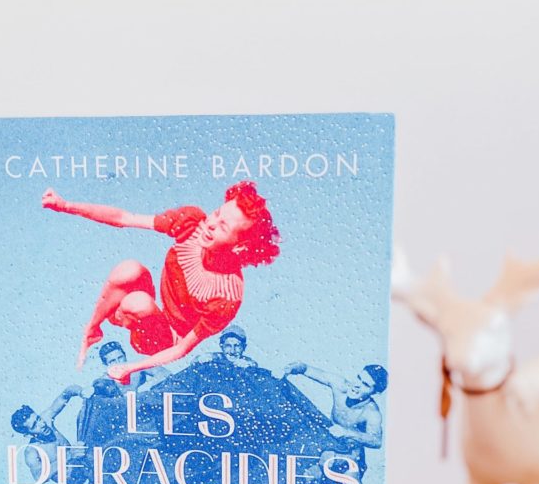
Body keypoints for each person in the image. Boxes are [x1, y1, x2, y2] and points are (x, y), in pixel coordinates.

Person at [41, 182, 280, 383]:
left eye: (223, 227)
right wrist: (66, 206)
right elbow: (124, 217)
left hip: (164, 340)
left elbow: (182, 349)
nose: (210, 224)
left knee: (138, 302)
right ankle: (92, 330)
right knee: (129, 269)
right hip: (157, 309)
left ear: (239, 246)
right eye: (217, 214)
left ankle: (124, 315)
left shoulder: (226, 296)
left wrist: (131, 367)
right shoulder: (192, 223)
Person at [283, 361, 387, 453]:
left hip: (350, 451)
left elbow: (376, 441)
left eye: (365, 385)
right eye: (358, 378)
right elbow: (306, 369)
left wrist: (346, 433)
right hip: (329, 440)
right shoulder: (341, 386)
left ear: (375, 392)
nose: (357, 385)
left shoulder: (371, 412)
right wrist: (293, 368)